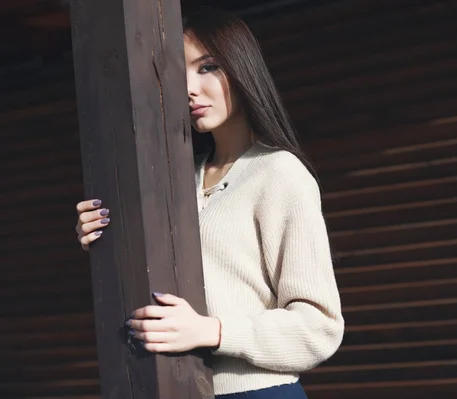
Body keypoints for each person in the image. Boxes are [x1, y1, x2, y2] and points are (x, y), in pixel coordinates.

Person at [74, 6, 344, 399]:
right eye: (176, 72)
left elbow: (320, 327)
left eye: (207, 67)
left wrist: (213, 330)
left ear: (241, 68)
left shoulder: (279, 173)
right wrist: (102, 241)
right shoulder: (177, 182)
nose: (189, 87)